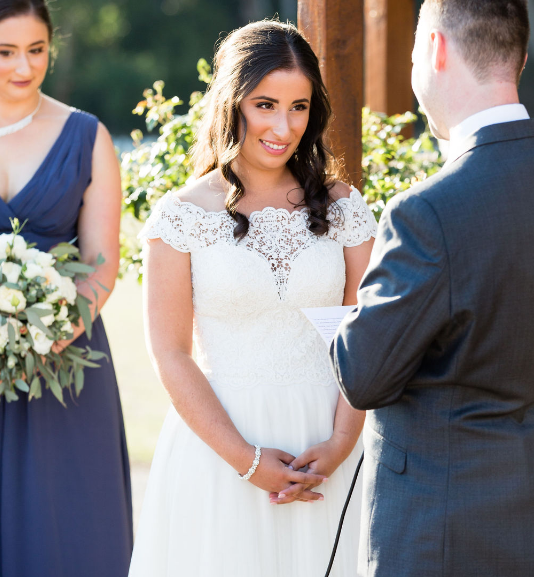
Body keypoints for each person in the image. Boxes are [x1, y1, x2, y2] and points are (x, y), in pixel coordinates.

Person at [129, 20, 376, 577]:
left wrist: (340, 441)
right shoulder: (180, 216)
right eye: (265, 104)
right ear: (233, 100)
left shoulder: (344, 207)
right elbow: (169, 353)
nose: (283, 126)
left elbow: (370, 333)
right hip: (223, 446)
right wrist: (248, 462)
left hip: (331, 437)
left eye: (299, 107)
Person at [330, 0, 534, 575]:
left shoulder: (428, 213)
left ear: (435, 49)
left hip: (443, 527)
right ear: (520, 55)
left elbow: (364, 375)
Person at [0, 1, 133, 575]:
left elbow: (103, 264)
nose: (24, 67)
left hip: (60, 366)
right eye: (5, 52)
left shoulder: (87, 136)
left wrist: (42, 340)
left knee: (69, 536)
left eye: (36, 50)